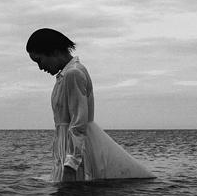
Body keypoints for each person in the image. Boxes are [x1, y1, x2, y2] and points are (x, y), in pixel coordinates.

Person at [26, 28, 154, 182]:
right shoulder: (66, 75)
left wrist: (70, 165)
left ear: (53, 51)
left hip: (76, 153)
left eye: (39, 60)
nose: (40, 67)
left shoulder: (73, 74)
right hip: (70, 149)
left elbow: (78, 122)